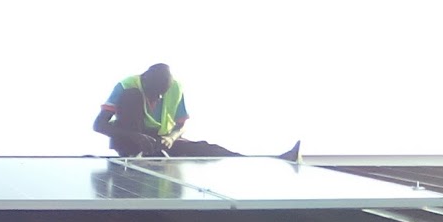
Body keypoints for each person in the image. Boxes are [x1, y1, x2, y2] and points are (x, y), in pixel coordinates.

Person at [92, 63, 301, 161]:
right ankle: (135, 152)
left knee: (207, 149)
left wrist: (171, 138)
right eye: (154, 93)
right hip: (130, 141)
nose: (158, 98)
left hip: (158, 142)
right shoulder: (128, 85)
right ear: (144, 79)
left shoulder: (174, 88)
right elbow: (98, 125)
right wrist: (135, 136)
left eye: (161, 94)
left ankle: (271, 161)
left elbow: (181, 125)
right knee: (132, 97)